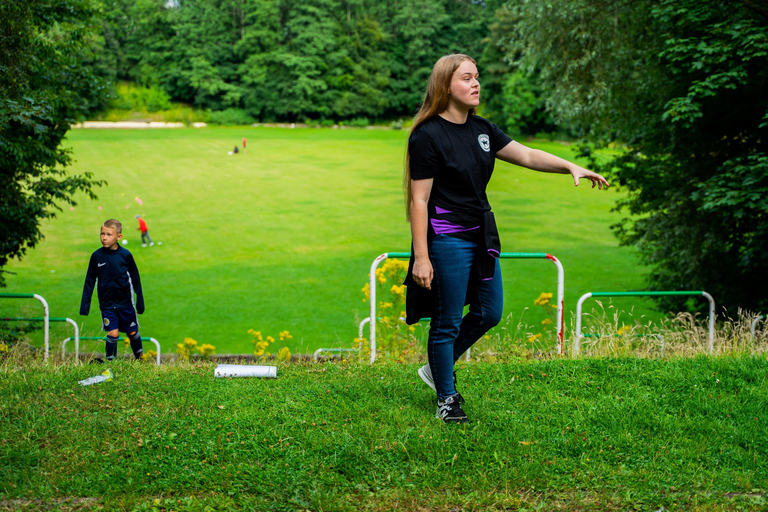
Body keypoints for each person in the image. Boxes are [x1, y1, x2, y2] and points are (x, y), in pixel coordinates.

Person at [404, 54, 609, 424]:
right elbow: (419, 199)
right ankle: (447, 398)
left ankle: (437, 369)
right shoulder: (427, 135)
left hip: (482, 234)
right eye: (467, 78)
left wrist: (569, 166)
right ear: (446, 85)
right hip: (447, 237)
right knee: (447, 321)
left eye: (477, 77)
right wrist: (422, 256)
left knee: (488, 312)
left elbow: (528, 155)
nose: (476, 83)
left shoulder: (483, 130)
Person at [80, 219, 146, 361]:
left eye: (109, 234)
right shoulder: (96, 256)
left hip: (126, 303)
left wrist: (140, 301)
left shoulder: (126, 255)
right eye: (102, 234)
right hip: (107, 304)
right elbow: (89, 281)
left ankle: (141, 361)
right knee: (113, 334)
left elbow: (136, 278)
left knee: (133, 332)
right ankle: (111, 364)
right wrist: (84, 306)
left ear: (119, 236)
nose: (104, 237)